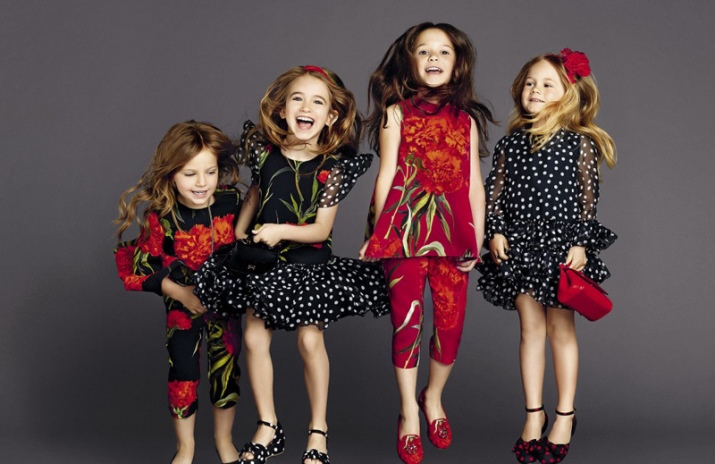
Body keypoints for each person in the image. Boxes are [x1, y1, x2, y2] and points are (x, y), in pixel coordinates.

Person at [193, 66, 389, 464]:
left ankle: (318, 430)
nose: (306, 107)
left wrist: (279, 231)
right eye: (297, 99)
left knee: (309, 341)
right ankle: (268, 425)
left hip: (306, 266)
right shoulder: (265, 152)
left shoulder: (332, 166)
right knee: (254, 338)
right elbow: (255, 194)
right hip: (262, 263)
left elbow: (321, 229)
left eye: (317, 102)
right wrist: (240, 233)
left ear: (331, 116)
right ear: (282, 109)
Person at [359, 22, 495, 464]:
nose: (433, 57)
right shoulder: (396, 113)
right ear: (410, 61)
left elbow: (475, 185)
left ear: (458, 64)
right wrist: (377, 233)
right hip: (403, 235)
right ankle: (409, 415)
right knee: (407, 326)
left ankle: (432, 397)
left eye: (443, 51)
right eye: (424, 51)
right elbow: (386, 176)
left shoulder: (466, 120)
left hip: (454, 238)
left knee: (450, 327)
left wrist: (476, 236)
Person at [476, 49, 617, 464]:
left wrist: (580, 243)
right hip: (519, 248)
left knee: (560, 329)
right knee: (530, 330)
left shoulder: (579, 144)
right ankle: (533, 413)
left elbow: (588, 200)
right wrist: (495, 231)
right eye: (530, 83)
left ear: (568, 93)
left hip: (560, 246)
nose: (535, 90)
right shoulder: (510, 144)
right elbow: (494, 193)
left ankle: (565, 414)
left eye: (547, 84)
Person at [114, 121, 243, 464]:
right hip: (182, 309)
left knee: (226, 372)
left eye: (210, 172)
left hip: (226, 306)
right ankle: (186, 447)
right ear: (171, 174)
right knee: (183, 371)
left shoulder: (233, 201)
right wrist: (181, 294)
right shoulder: (163, 216)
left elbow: (249, 246)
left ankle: (224, 440)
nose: (202, 182)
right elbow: (140, 269)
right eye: (190, 174)